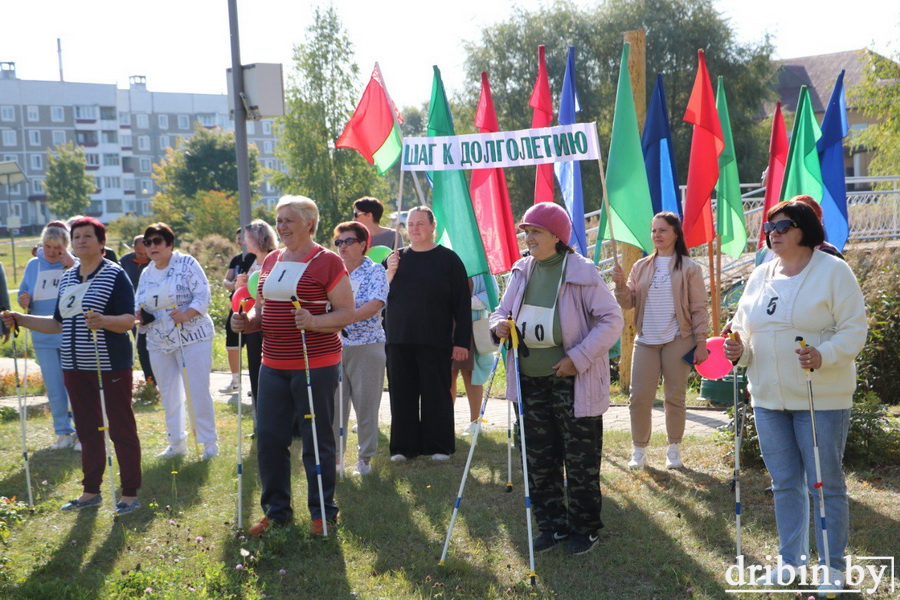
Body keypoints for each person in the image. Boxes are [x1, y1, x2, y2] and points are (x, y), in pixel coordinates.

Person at [724, 200, 867, 594]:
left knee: (825, 484)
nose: (775, 232)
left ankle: (833, 570)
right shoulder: (759, 276)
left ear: (804, 229)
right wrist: (739, 351)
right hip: (768, 400)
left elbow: (855, 330)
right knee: (785, 483)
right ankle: (791, 564)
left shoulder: (834, 272)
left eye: (784, 225)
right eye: (770, 226)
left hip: (821, 397)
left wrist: (825, 355)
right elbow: (743, 331)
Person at [489, 202, 623, 556]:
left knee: (579, 458)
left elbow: (612, 321)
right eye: (526, 232)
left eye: (536, 232)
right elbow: (501, 310)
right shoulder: (522, 270)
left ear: (557, 236)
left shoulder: (582, 272)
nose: (528, 238)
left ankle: (585, 528)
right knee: (538, 457)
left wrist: (577, 359)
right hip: (530, 382)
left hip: (572, 381)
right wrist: (497, 324)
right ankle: (553, 525)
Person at [232, 195, 354, 537]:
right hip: (271, 363)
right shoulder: (270, 260)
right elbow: (262, 309)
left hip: (315, 363)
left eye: (288, 220)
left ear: (310, 224)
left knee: (317, 440)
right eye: (279, 220)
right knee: (270, 438)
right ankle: (277, 511)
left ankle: (323, 512)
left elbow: (347, 312)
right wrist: (248, 321)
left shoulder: (328, 261)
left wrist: (314, 321)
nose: (281, 226)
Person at [2, 217, 142, 515]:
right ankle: (91, 491)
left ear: (101, 243)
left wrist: (104, 321)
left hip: (110, 365)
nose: (80, 241)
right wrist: (21, 318)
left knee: (121, 429)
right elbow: (57, 323)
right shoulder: (67, 278)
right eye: (76, 236)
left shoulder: (115, 275)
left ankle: (129, 493)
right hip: (74, 366)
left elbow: (130, 320)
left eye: (87, 236)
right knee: (88, 431)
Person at [611, 212, 710, 469]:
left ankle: (673, 449)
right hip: (646, 339)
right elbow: (628, 303)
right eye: (654, 231)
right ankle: (639, 451)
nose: (657, 235)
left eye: (662, 230)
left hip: (679, 338)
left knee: (674, 397)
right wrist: (620, 285)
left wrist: (701, 342)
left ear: (675, 234)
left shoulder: (690, 268)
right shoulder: (641, 266)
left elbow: (699, 307)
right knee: (639, 398)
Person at [384, 206, 470, 462]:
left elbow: (462, 304)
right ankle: (403, 447)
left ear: (433, 226)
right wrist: (389, 272)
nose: (414, 228)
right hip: (399, 338)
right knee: (401, 394)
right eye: (410, 224)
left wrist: (461, 341)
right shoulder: (394, 259)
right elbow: (377, 296)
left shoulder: (448, 260)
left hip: (435, 339)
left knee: (436, 393)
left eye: (420, 223)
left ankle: (439, 446)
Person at [134, 223, 218, 460]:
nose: (151, 246)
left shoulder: (187, 264)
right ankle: (176, 443)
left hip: (192, 338)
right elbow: (138, 302)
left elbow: (203, 294)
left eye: (157, 241)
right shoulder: (147, 273)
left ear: (169, 243)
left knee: (197, 391)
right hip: (158, 341)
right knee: (169, 393)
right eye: (147, 242)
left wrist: (187, 313)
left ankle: (209, 443)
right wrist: (139, 314)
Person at [331, 221, 388, 475]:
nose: (342, 246)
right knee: (334, 407)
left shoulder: (375, 271)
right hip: (334, 347)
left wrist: (343, 318)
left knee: (366, 407)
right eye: (339, 242)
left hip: (368, 346)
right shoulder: (332, 272)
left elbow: (376, 304)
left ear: (364, 244)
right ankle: (336, 460)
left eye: (348, 241)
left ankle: (364, 459)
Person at [17, 224, 78, 449]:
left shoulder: (73, 264)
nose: (52, 252)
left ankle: (83, 432)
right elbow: (25, 294)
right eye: (47, 246)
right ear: (41, 245)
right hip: (42, 336)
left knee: (76, 385)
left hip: (71, 334)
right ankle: (63, 432)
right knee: (54, 387)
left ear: (66, 247)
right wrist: (25, 300)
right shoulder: (34, 265)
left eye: (57, 247)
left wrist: (72, 264)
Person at [452, 274, 500, 436]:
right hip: (445, 327)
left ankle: (475, 423)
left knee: (471, 375)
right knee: (447, 376)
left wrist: (462, 303)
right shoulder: (446, 261)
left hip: (473, 328)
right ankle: (445, 421)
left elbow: (491, 296)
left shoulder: (481, 269)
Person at [242, 219, 278, 420]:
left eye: (247, 238)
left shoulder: (277, 259)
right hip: (250, 321)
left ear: (258, 238)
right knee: (255, 371)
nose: (245, 242)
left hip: (271, 322)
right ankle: (260, 420)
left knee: (271, 374)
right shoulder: (248, 260)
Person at [221, 229, 256, 394]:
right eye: (238, 239)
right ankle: (235, 382)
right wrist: (234, 285)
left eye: (243, 238)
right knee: (232, 344)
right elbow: (226, 281)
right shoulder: (236, 259)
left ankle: (255, 381)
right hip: (236, 305)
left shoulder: (258, 257)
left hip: (253, 306)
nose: (240, 242)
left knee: (254, 346)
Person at [119, 234, 155, 385]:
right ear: (133, 248)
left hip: (153, 308)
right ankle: (150, 381)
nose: (143, 256)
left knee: (156, 345)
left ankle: (161, 378)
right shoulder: (124, 262)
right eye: (139, 253)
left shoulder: (154, 261)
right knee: (141, 345)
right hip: (134, 311)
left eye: (145, 252)